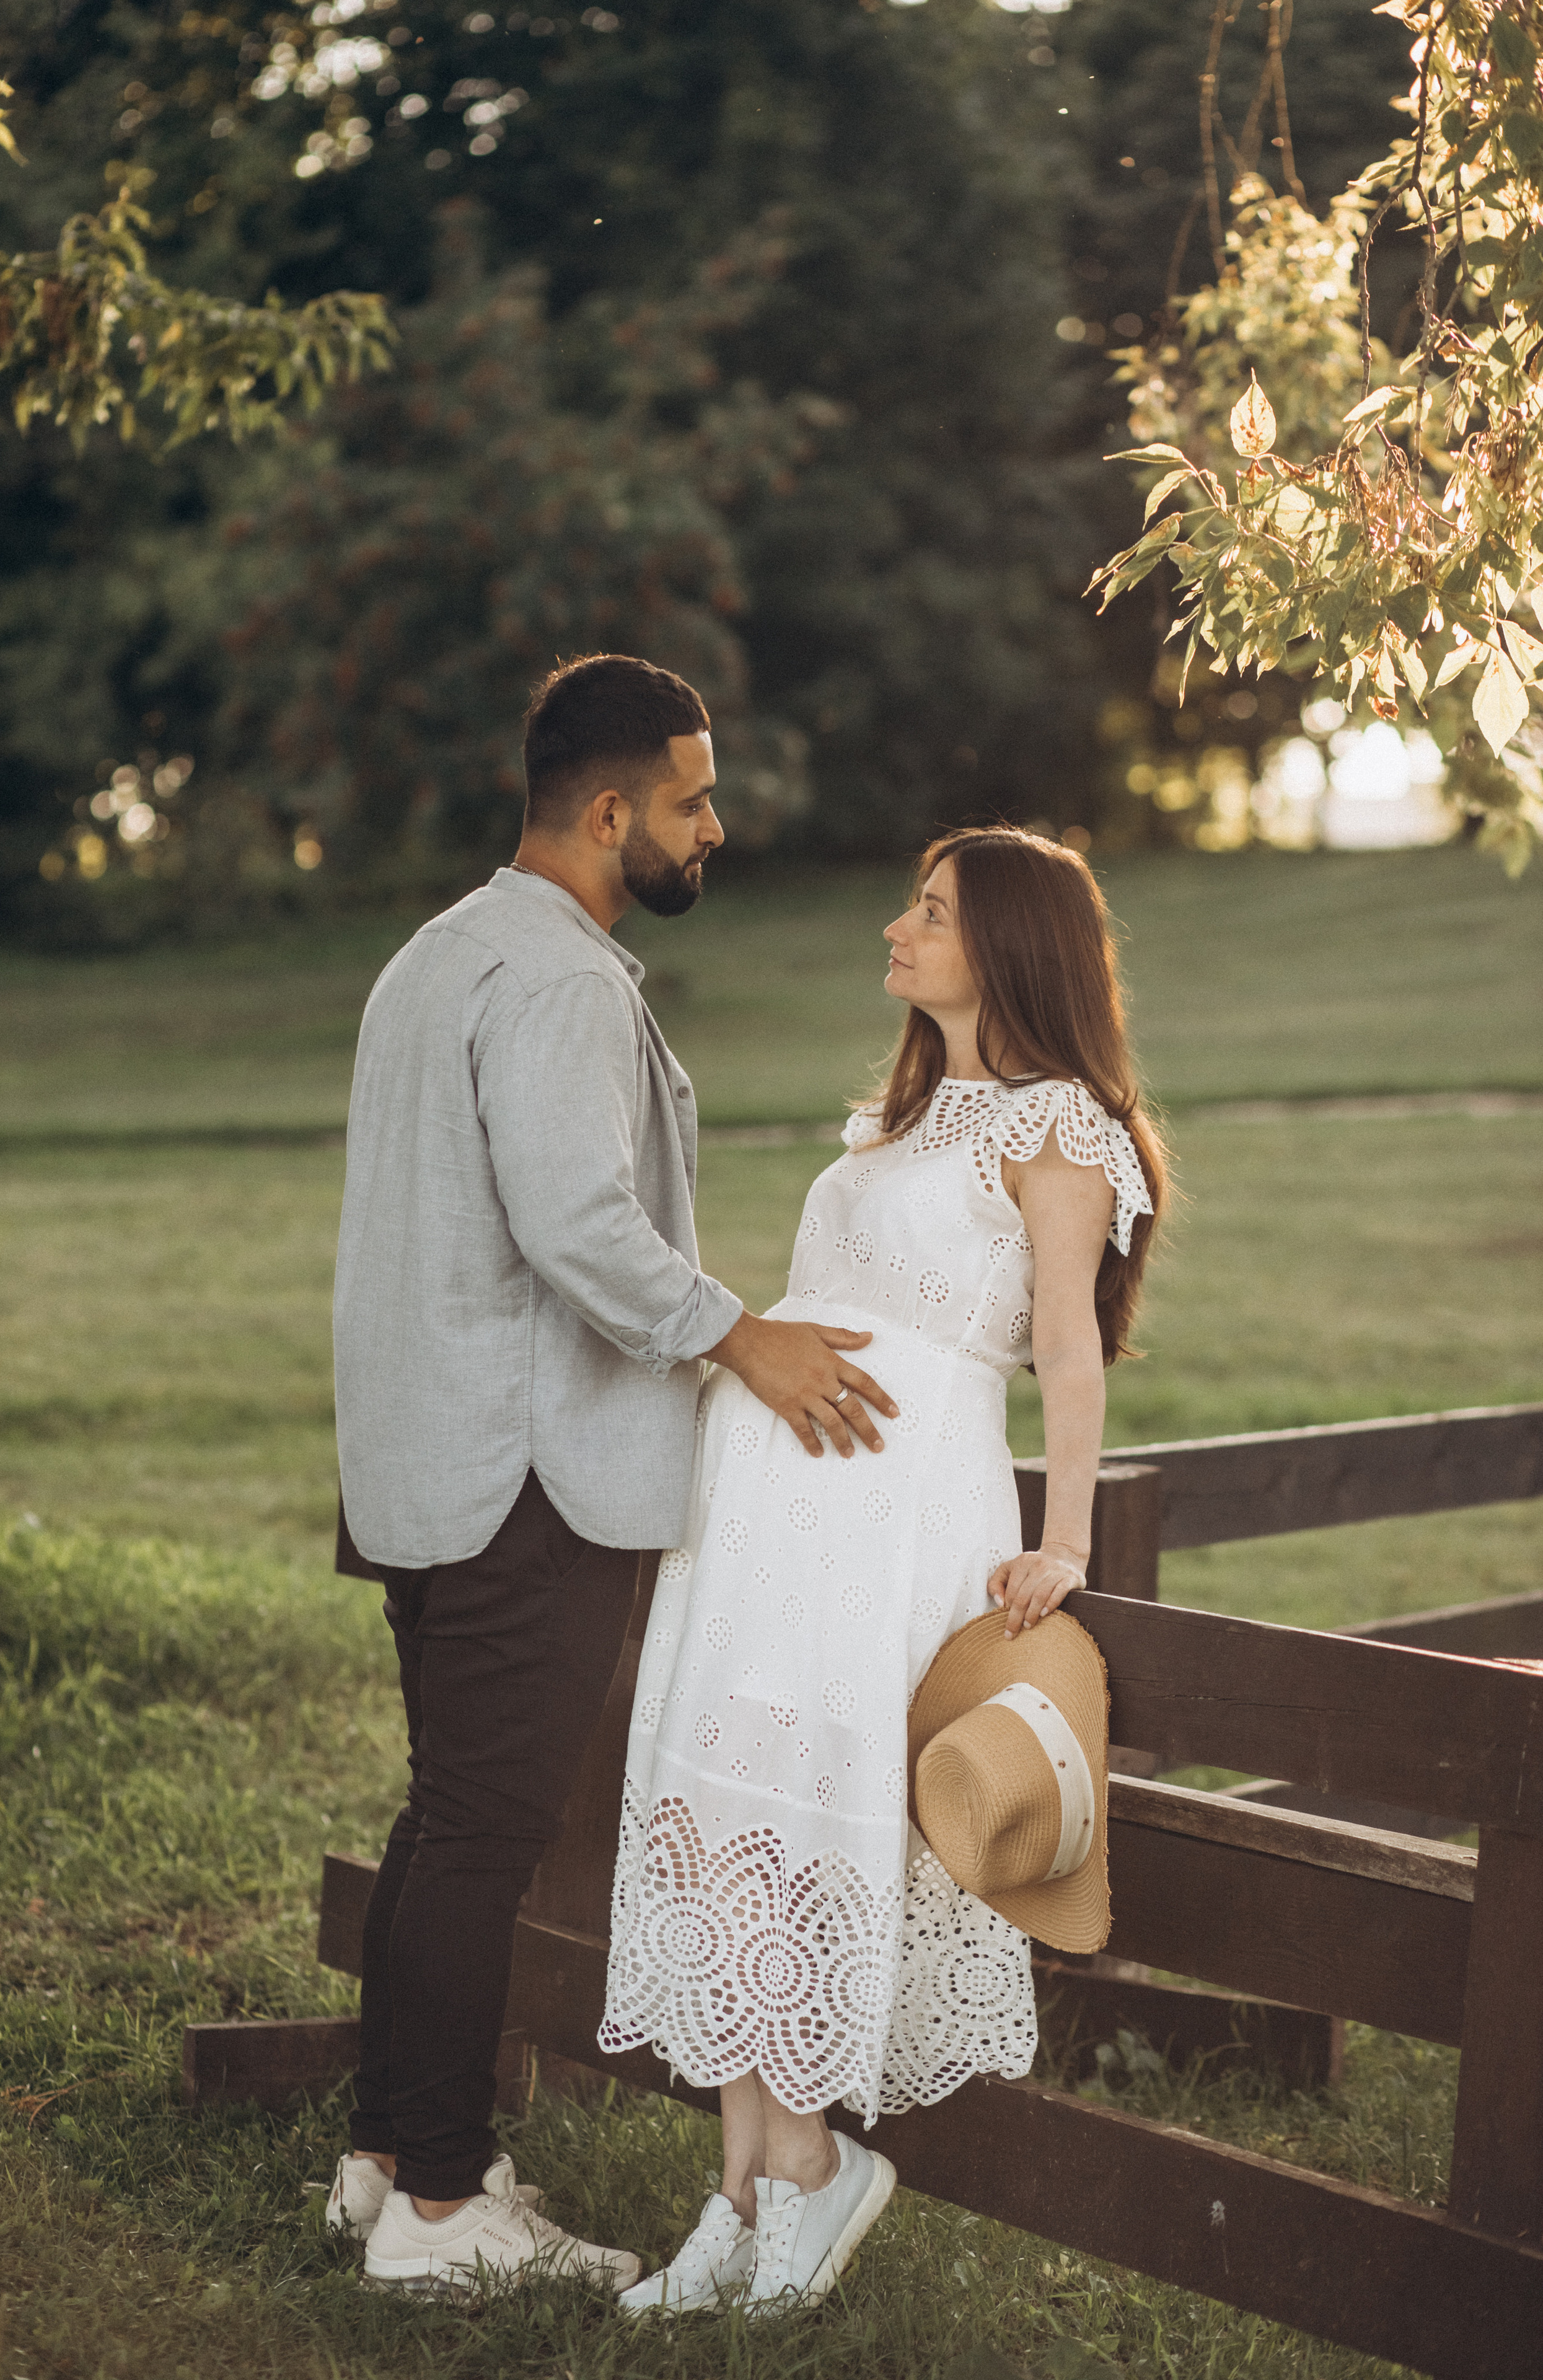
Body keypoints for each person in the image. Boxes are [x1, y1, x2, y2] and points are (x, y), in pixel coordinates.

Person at [320, 652, 897, 2299]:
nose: (713, 828)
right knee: (483, 1833)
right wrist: (740, 1338)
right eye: (692, 801)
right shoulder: (563, 980)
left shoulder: (440, 953)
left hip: (423, 1468)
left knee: (446, 1818)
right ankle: (442, 2212)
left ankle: (389, 2161)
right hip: (524, 1481)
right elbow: (575, 1220)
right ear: (606, 810)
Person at [600, 823, 1166, 2315]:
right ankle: (743, 2189)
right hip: (764, 1520)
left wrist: (1062, 1539)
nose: (895, 931)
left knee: (809, 1797)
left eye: (930, 913)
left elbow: (1065, 1346)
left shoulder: (1054, 1125)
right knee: (733, 1804)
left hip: (894, 1515)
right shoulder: (898, 1123)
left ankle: (810, 2168)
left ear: (1011, 946)